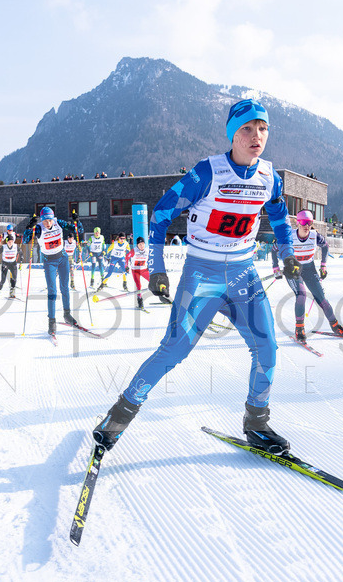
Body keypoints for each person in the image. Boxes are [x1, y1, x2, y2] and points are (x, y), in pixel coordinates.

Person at [91, 98, 298, 457]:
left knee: (267, 348)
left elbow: (280, 217)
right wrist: (156, 268)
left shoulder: (269, 177)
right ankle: (117, 418)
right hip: (202, 274)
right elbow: (161, 214)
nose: (257, 136)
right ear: (232, 134)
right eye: (247, 128)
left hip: (244, 275)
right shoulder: (207, 173)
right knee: (174, 349)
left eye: (263, 128)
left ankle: (257, 424)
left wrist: (289, 253)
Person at [270, 210, 343, 345]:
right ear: (298, 222)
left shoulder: (315, 236)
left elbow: (325, 247)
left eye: (309, 223)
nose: (306, 226)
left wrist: (323, 265)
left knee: (321, 298)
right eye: (303, 222)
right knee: (301, 295)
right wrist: (275, 267)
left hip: (309, 268)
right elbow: (274, 249)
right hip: (293, 269)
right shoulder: (289, 236)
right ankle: (299, 329)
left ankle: (335, 326)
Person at [24, 206, 77, 335]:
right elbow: (25, 240)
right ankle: (52, 322)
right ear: (41, 220)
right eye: (45, 221)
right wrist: (29, 227)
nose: (48, 223)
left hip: (63, 258)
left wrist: (76, 221)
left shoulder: (59, 223)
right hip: (49, 261)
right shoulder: (39, 228)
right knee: (52, 291)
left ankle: (67, 315)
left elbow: (77, 229)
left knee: (65, 288)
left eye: (50, 220)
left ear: (53, 218)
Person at [126, 236, 150, 309]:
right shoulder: (134, 251)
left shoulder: (147, 250)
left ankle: (161, 296)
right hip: (135, 270)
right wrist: (126, 266)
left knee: (153, 281)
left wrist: (149, 266)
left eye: (143, 244)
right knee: (139, 286)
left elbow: (151, 259)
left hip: (143, 269)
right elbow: (126, 257)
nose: (141, 246)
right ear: (137, 245)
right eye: (140, 244)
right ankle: (139, 300)